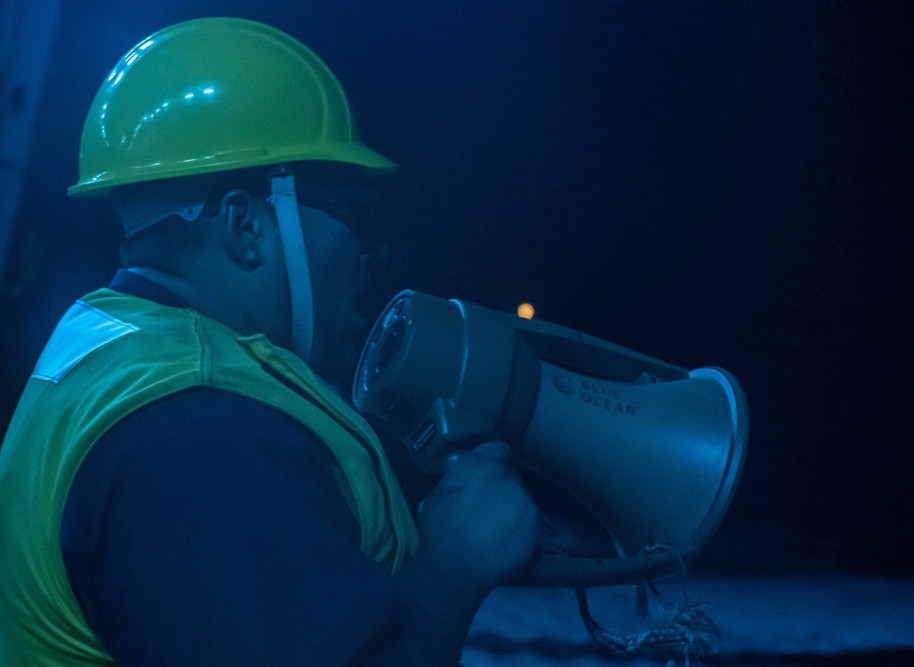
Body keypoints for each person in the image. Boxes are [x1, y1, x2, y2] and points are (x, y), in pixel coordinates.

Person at [0, 17, 540, 666]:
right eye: (350, 215)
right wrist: (454, 567)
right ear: (245, 225)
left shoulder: (117, 339)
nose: (368, 255)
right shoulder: (197, 427)